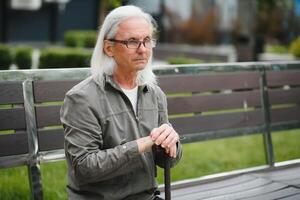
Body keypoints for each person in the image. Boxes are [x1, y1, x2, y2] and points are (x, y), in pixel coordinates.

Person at [60, 5, 182, 200]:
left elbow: (168, 161)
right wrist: (141, 144)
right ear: (109, 48)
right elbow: (84, 168)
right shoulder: (81, 98)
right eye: (132, 42)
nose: (143, 50)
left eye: (147, 40)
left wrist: (170, 143)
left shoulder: (154, 94)